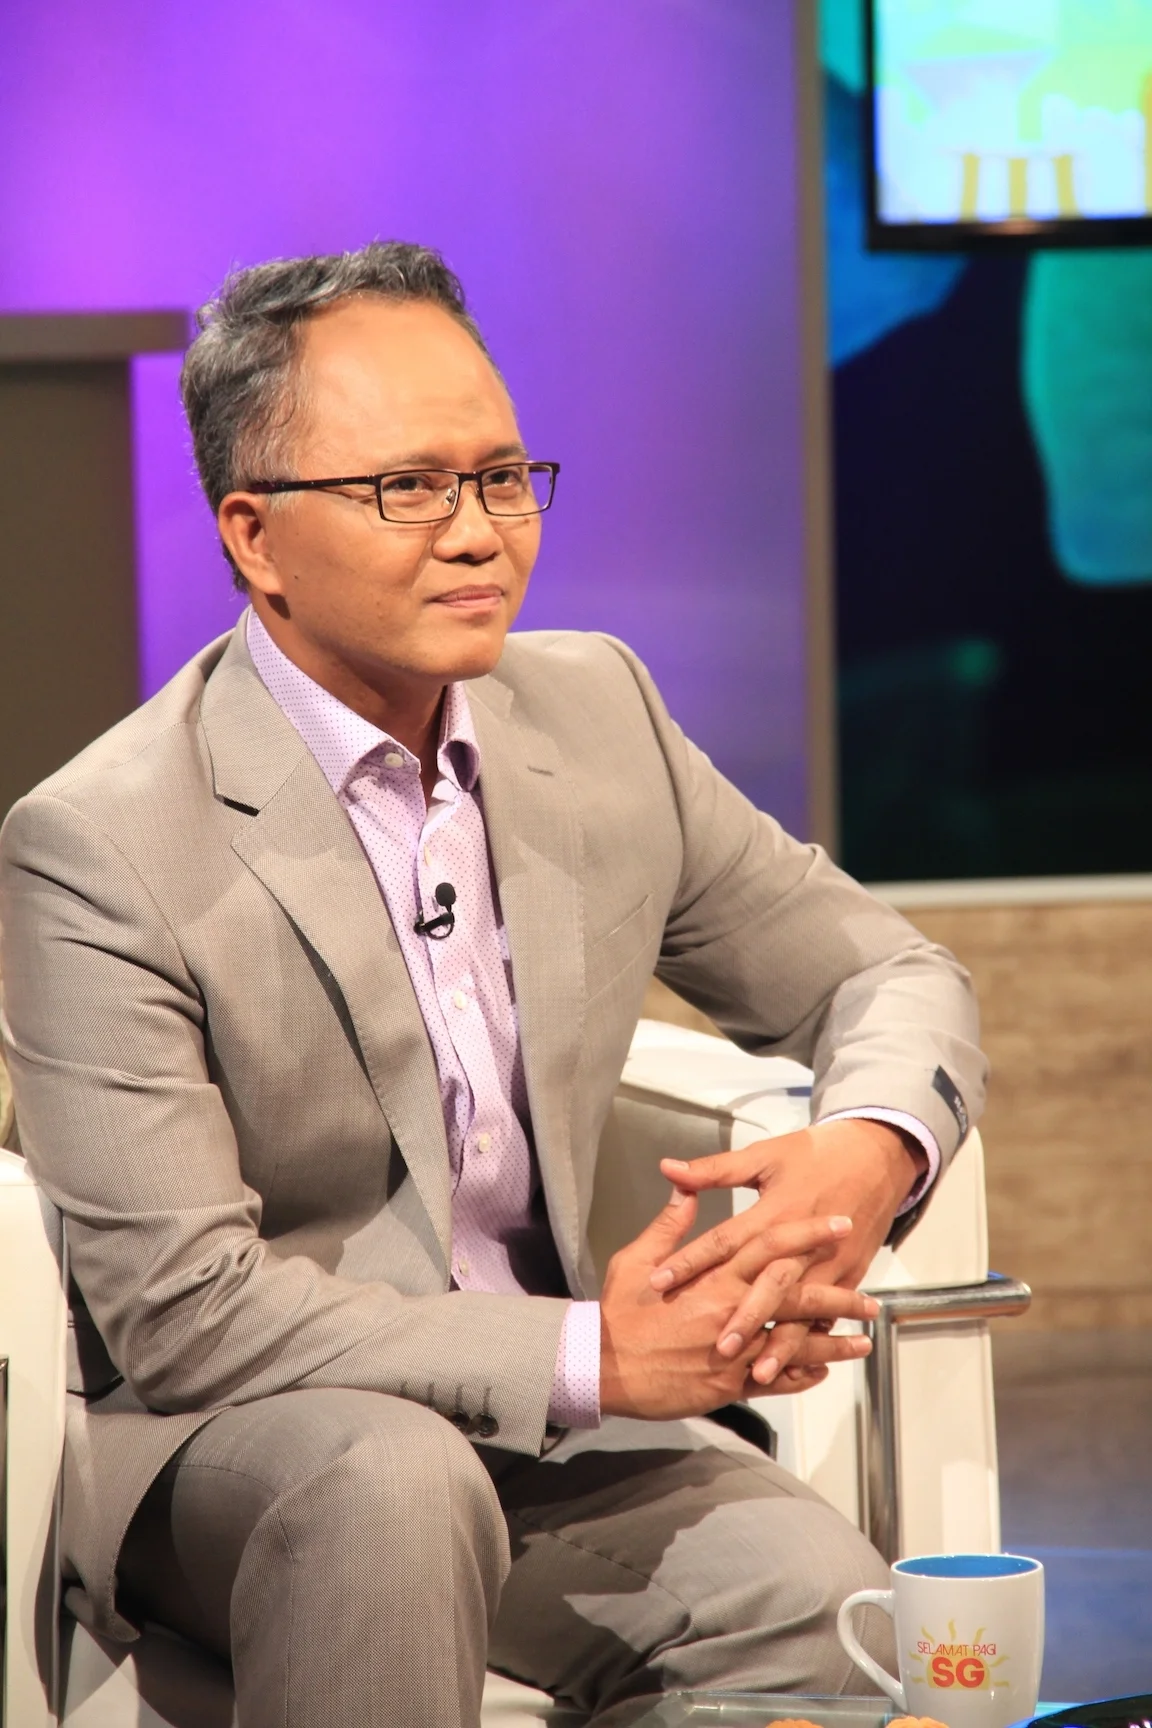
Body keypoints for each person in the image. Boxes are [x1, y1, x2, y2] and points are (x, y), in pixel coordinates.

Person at [0, 242, 986, 1728]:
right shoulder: (102, 841)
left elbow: (887, 971)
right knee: (393, 1489)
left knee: (829, 1622)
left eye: (504, 477)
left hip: (547, 1442)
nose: (479, 535)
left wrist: (869, 1150)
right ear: (256, 536)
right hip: (233, 1439)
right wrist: (595, 1351)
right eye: (408, 488)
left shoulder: (597, 713)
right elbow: (186, 1314)